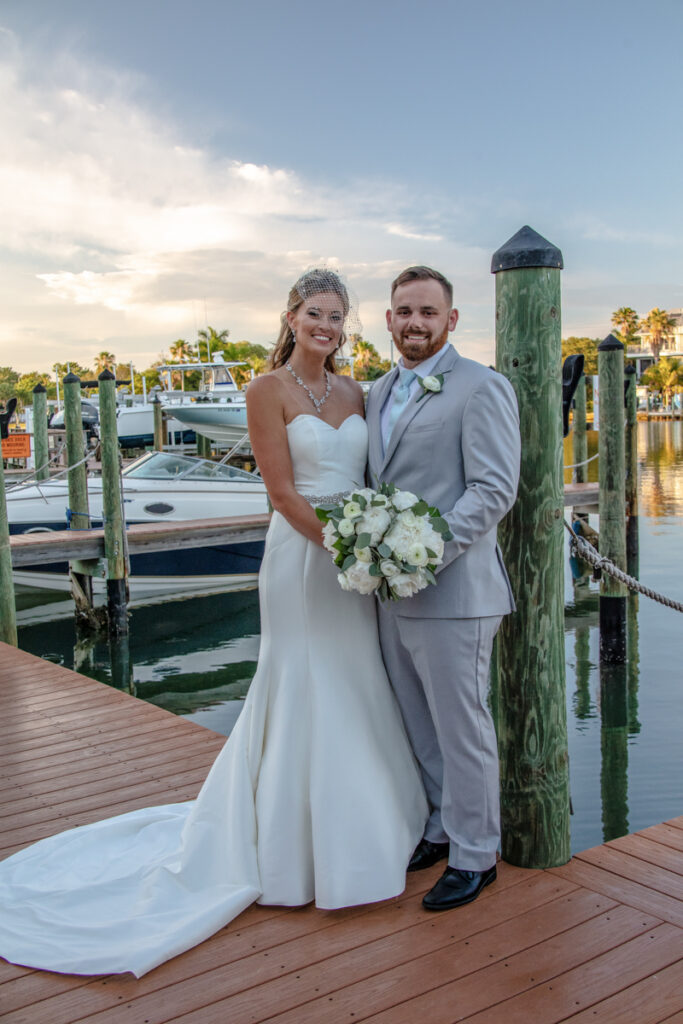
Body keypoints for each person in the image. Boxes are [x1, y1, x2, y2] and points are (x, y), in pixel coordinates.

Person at [0, 270, 428, 978]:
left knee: (357, 680)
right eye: (314, 313)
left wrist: (378, 540)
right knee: (303, 680)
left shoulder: (358, 392)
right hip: (304, 556)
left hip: (355, 559)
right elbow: (282, 493)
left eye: (336, 317)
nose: (325, 325)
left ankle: (371, 831)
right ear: (290, 317)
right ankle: (289, 845)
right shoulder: (266, 392)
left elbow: (376, 480)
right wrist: (350, 545)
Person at [365, 266, 520, 911]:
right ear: (390, 318)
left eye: (428, 312)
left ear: (451, 320)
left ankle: (477, 854)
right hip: (386, 596)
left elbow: (493, 491)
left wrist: (420, 553)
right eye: (404, 311)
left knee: (463, 729)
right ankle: (438, 827)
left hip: (454, 591)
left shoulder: (481, 387)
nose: (415, 323)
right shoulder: (376, 391)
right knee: (418, 727)